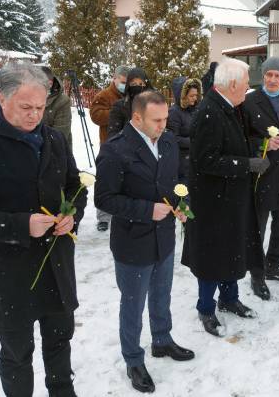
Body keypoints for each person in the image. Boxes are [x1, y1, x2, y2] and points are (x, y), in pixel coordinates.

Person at [0, 65, 87, 397]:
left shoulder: (53, 138)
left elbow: (74, 187)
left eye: (40, 108)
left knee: (59, 345)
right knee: (16, 356)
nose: (34, 115)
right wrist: (21, 224)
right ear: (1, 97)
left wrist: (72, 215)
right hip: (12, 276)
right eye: (26, 107)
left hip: (56, 267)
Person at [95, 90, 195, 393]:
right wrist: (146, 210)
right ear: (137, 118)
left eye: (166, 118)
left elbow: (181, 177)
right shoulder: (115, 150)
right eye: (157, 120)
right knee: (133, 303)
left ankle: (162, 340)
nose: (164, 125)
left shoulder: (167, 141)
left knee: (162, 293)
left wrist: (183, 201)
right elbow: (104, 198)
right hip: (132, 241)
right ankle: (133, 358)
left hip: (163, 236)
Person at [181, 58, 267, 337]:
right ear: (231, 85)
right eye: (244, 85)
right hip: (212, 201)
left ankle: (229, 299)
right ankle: (206, 308)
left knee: (232, 250)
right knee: (211, 257)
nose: (247, 90)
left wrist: (257, 149)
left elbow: (233, 143)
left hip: (231, 197)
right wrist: (247, 165)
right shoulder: (209, 112)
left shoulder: (229, 107)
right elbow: (206, 160)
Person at [243, 57, 279, 299]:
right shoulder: (249, 101)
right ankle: (257, 274)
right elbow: (242, 137)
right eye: (269, 75)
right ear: (263, 76)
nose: (273, 79)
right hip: (262, 173)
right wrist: (263, 144)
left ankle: (274, 264)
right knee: (257, 227)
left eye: (278, 75)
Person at [90, 66, 129, 231]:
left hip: (128, 145)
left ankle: (123, 211)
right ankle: (103, 217)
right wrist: (116, 113)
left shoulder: (131, 95)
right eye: (122, 82)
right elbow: (95, 115)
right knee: (106, 180)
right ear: (115, 79)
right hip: (109, 143)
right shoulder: (104, 95)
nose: (124, 85)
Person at [167, 77, 202, 183]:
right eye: (191, 95)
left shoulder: (196, 109)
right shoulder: (174, 113)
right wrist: (194, 142)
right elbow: (173, 138)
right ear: (183, 95)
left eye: (196, 95)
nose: (195, 98)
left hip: (196, 159)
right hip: (182, 162)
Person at [107, 67, 151, 137]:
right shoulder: (119, 106)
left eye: (140, 84)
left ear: (146, 85)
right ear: (128, 86)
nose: (137, 87)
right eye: (133, 84)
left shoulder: (154, 105)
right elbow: (113, 136)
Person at [41, 66, 73, 149]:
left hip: (55, 152)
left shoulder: (62, 101)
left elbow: (59, 135)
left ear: (50, 83)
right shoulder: (29, 97)